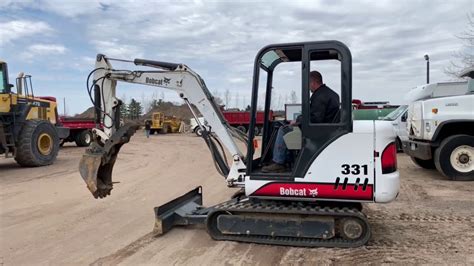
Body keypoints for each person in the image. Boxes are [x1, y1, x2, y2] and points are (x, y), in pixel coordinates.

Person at [262, 71, 340, 173]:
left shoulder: (319, 96)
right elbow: (314, 114)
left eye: (308, 83)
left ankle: (279, 162)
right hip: (326, 129)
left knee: (283, 130)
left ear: (313, 82)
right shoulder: (331, 94)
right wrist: (299, 119)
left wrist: (298, 121)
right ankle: (287, 160)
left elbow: (315, 118)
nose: (308, 87)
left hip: (318, 132)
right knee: (287, 129)